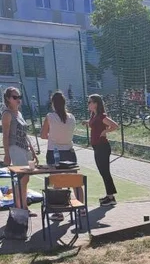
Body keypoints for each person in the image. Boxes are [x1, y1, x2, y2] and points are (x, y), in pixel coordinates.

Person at [41, 91, 80, 220]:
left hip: (54, 152)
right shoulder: (72, 117)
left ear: (53, 103)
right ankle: (81, 209)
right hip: (69, 152)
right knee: (75, 181)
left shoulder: (50, 116)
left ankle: (58, 212)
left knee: (57, 182)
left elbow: (43, 135)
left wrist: (53, 137)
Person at [1, 87, 38, 214]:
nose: (18, 100)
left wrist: (32, 150)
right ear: (8, 99)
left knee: (25, 178)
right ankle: (20, 208)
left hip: (24, 148)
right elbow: (5, 135)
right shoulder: (7, 114)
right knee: (21, 178)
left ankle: (23, 207)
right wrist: (7, 155)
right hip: (15, 148)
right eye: (15, 97)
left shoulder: (19, 113)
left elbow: (25, 134)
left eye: (19, 97)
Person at [82, 94, 118, 206]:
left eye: (90, 102)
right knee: (103, 172)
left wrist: (105, 132)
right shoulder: (94, 115)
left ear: (96, 103)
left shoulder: (102, 116)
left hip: (102, 147)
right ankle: (109, 195)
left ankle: (111, 197)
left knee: (105, 171)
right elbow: (96, 125)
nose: (88, 104)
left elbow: (114, 125)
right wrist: (88, 123)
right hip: (96, 146)